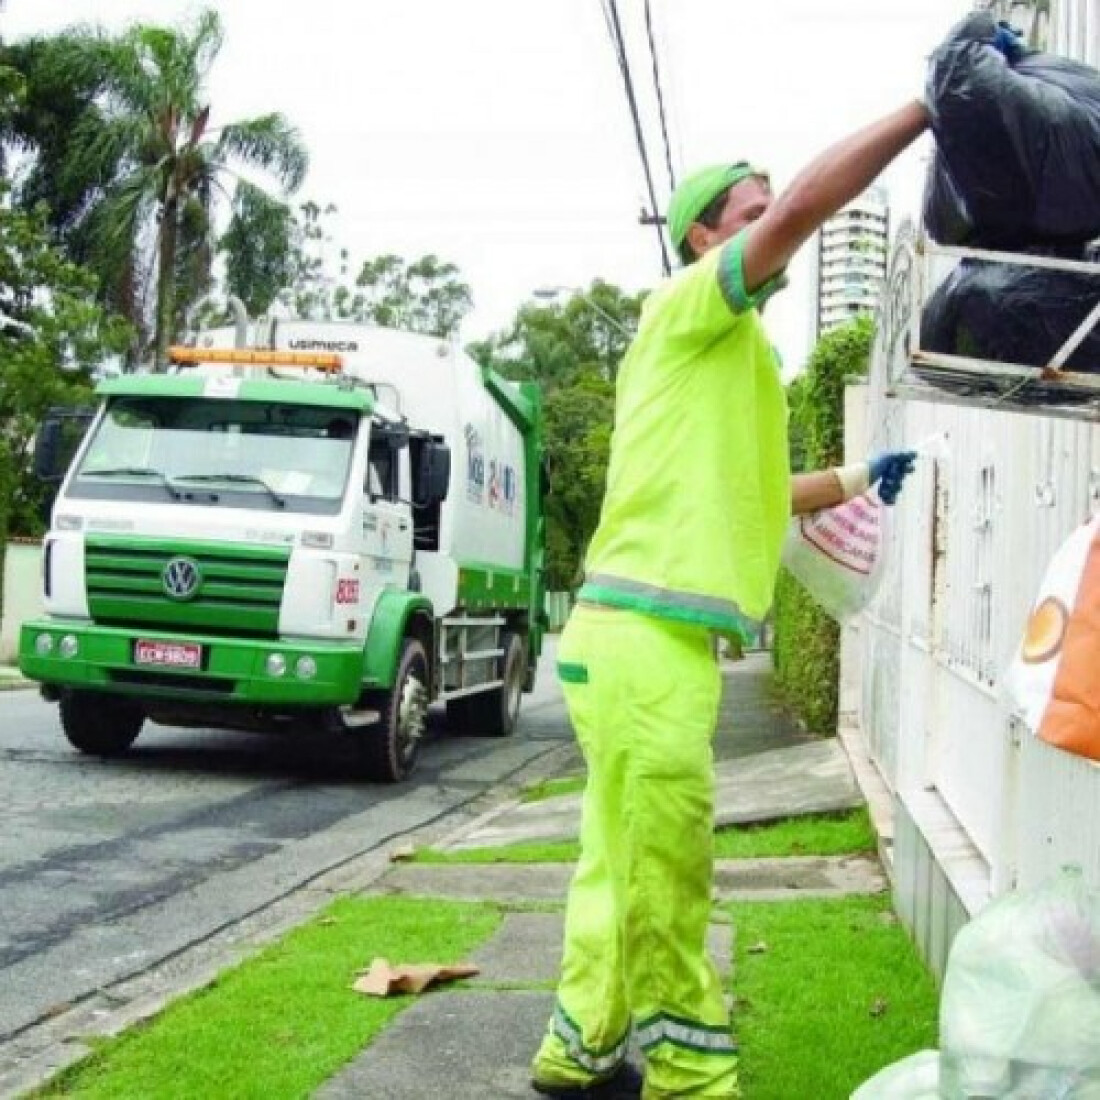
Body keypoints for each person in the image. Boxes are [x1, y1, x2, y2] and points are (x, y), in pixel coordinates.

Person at [530, 99, 927, 1100]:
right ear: (704, 237)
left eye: (764, 208)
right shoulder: (688, 306)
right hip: (642, 639)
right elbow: (803, 206)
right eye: (746, 212)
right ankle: (688, 1074)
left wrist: (848, 479)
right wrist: (926, 107)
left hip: (627, 637)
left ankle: (574, 1050)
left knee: (617, 857)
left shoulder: (732, 353)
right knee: (665, 858)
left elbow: (752, 492)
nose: (768, 222)